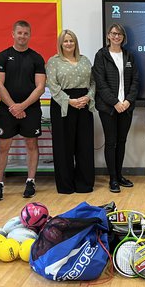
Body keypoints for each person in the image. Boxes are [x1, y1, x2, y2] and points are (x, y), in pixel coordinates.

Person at [0, 20, 46, 201]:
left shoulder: (37, 58)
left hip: (30, 109)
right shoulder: (2, 56)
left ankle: (30, 181)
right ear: (13, 34)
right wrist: (13, 106)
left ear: (30, 35)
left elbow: (40, 87)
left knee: (31, 145)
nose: (22, 36)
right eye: (19, 33)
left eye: (26, 33)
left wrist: (22, 106)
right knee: (3, 146)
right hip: (7, 110)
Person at [46, 30, 96, 194]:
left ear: (76, 43)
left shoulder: (85, 60)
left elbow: (93, 83)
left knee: (84, 146)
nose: (69, 44)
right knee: (64, 146)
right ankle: (66, 185)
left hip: (83, 105)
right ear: (61, 43)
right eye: (65, 41)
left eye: (71, 41)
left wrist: (88, 97)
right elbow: (53, 86)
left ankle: (84, 184)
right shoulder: (54, 61)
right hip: (63, 106)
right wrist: (69, 101)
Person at [93, 23, 139, 193]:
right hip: (108, 108)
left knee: (121, 142)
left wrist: (127, 101)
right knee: (111, 142)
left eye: (119, 34)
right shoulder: (101, 55)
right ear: (108, 35)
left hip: (126, 107)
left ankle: (119, 175)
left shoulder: (129, 56)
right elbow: (101, 83)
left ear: (123, 37)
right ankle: (112, 179)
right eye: (113, 33)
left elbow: (135, 81)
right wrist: (115, 102)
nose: (116, 36)